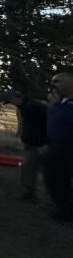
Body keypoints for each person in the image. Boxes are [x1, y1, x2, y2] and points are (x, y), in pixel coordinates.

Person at [1, 88, 47, 200]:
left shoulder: (31, 107)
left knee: (29, 168)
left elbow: (42, 126)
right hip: (34, 144)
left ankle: (30, 194)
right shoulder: (29, 105)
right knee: (30, 169)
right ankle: (30, 193)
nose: (12, 104)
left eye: (11, 102)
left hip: (37, 145)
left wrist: (43, 143)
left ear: (14, 98)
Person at [42, 72, 73, 222]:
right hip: (55, 147)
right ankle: (62, 209)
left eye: (57, 81)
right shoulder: (61, 102)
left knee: (64, 181)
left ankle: (65, 211)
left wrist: (55, 107)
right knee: (54, 180)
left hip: (67, 149)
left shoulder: (66, 105)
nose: (53, 84)